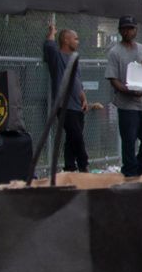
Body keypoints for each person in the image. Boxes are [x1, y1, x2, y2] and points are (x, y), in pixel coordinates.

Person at [43, 23, 101, 172]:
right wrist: (52, 32)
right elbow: (49, 45)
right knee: (76, 136)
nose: (78, 41)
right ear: (66, 40)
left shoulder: (74, 59)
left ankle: (69, 166)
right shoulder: (57, 57)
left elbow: (77, 82)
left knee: (72, 137)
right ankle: (84, 165)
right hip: (64, 105)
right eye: (75, 38)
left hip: (77, 105)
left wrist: (83, 98)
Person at [104, 15, 142, 177]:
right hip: (127, 104)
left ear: (136, 30)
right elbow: (113, 79)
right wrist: (128, 90)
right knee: (129, 140)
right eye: (124, 28)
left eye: (131, 28)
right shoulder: (115, 52)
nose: (128, 31)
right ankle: (129, 173)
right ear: (120, 30)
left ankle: (140, 170)